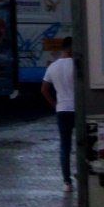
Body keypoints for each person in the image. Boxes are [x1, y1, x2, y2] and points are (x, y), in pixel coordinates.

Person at [40, 37, 76, 188]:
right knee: (83, 143)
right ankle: (82, 172)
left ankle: (66, 181)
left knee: (64, 146)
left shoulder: (52, 67)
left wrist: (55, 105)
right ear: (71, 49)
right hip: (78, 109)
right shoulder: (76, 65)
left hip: (62, 109)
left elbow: (44, 90)